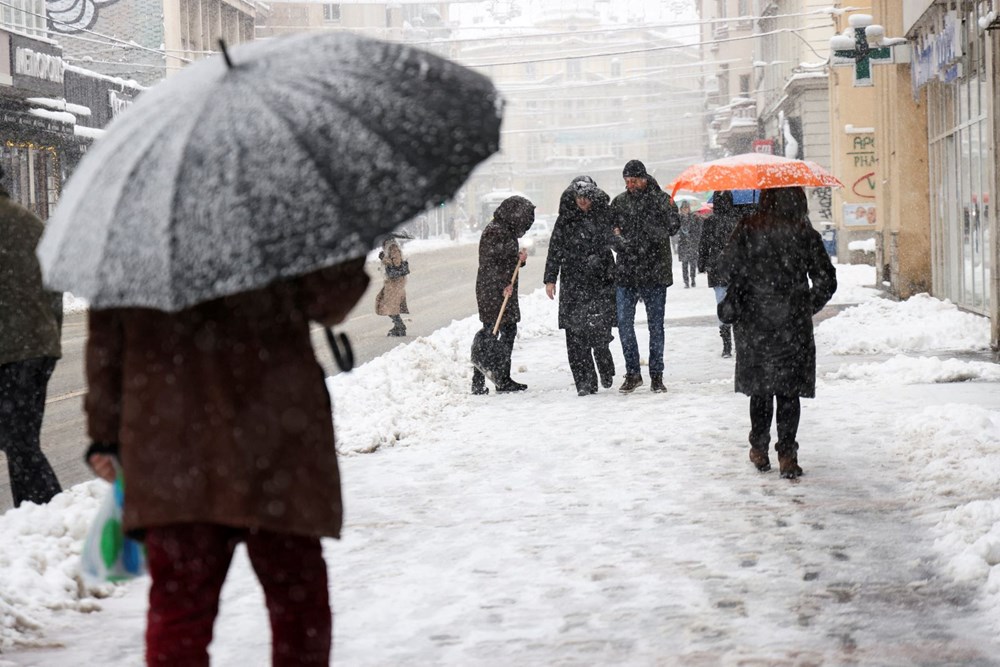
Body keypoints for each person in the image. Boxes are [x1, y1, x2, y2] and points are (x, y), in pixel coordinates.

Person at [84, 258, 370, 665]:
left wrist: (104, 434)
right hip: (274, 439)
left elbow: (106, 343)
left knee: (180, 608)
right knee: (296, 599)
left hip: (171, 444)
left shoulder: (134, 238)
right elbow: (330, 300)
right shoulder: (274, 211)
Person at [716, 187, 837, 479]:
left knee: (760, 389)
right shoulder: (804, 233)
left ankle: (759, 448)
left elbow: (724, 268)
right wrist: (805, 305)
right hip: (791, 325)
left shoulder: (748, 228)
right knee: (788, 390)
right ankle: (787, 454)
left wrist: (744, 277)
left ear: (766, 198)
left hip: (754, 322)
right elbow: (826, 279)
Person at [0, 166, 64, 508]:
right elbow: (54, 289)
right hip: (38, 349)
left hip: (10, 352)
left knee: (18, 442)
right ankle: (34, 514)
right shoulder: (31, 223)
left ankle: (51, 510)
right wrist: (49, 337)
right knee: (19, 440)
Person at [609, 159, 680, 394]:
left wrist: (649, 232)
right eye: (626, 181)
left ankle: (656, 375)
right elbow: (610, 231)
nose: (629, 185)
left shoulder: (662, 200)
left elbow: (673, 226)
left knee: (655, 326)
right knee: (624, 324)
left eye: (633, 181)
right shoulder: (619, 202)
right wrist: (620, 242)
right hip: (627, 272)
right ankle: (632, 372)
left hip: (655, 271)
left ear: (644, 178)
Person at [544, 176, 617, 396]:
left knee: (599, 331)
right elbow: (555, 248)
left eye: (587, 197)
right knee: (575, 335)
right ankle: (584, 382)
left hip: (600, 280)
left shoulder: (603, 216)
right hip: (573, 282)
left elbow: (615, 242)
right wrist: (550, 278)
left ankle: (604, 361)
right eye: (579, 197)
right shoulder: (565, 220)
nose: (583, 201)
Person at [472, 195, 535, 395]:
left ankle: (494, 378)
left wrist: (520, 260)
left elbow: (505, 260)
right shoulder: (495, 232)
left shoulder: (504, 230)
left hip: (500, 289)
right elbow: (491, 264)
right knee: (495, 333)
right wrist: (502, 286)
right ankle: (496, 379)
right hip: (494, 291)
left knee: (500, 332)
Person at [697, 191, 741, 358]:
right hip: (736, 268)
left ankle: (726, 345)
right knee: (737, 304)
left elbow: (703, 245)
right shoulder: (738, 220)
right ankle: (738, 340)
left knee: (722, 305)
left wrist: (701, 264)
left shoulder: (710, 222)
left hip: (717, 268)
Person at [375, 236, 409, 336]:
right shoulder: (388, 248)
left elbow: (397, 264)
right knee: (386, 303)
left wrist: (384, 259)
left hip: (396, 282)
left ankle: (400, 327)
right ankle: (399, 325)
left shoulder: (392, 247)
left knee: (389, 304)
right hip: (391, 281)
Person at [677, 200, 702, 288]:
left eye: (686, 207)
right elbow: (675, 229)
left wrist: (698, 219)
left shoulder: (694, 217)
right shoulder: (678, 219)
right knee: (684, 264)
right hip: (683, 244)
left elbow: (698, 229)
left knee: (693, 263)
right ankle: (686, 281)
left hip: (692, 244)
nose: (685, 209)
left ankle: (693, 278)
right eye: (683, 208)